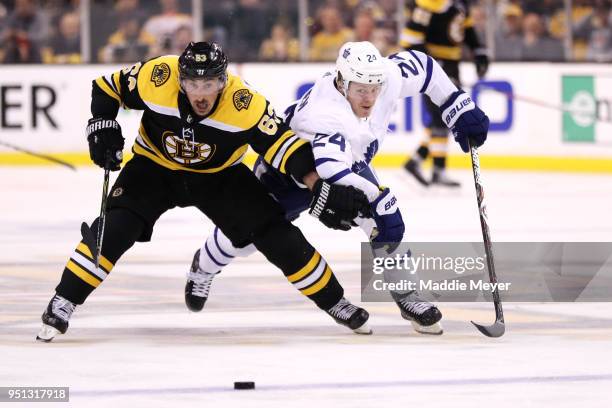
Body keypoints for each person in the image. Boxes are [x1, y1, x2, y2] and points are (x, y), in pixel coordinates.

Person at [36, 41, 372, 342]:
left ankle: (335, 302)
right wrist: (102, 124)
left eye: (209, 83)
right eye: (193, 83)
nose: (200, 93)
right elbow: (107, 88)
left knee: (274, 232)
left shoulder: (246, 103)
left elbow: (282, 145)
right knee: (115, 227)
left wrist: (317, 184)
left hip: (219, 176)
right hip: (154, 168)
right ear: (180, 80)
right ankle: (63, 300)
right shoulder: (157, 75)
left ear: (224, 81)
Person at [185, 41, 489, 335]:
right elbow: (332, 171)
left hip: (347, 162)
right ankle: (204, 266)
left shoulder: (384, 77)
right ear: (343, 84)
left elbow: (424, 67)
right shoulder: (328, 115)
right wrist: (379, 197)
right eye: (360, 90)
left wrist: (457, 105)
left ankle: (408, 296)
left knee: (380, 223)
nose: (369, 98)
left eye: (374, 89)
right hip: (288, 172)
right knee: (246, 238)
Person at [401, 0, 489, 187]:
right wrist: (434, 66)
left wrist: (479, 51)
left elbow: (467, 28)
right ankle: (437, 169)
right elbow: (409, 41)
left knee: (445, 116)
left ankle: (417, 160)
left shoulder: (460, 3)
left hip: (452, 65)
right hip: (432, 70)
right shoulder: (427, 4)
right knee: (442, 117)